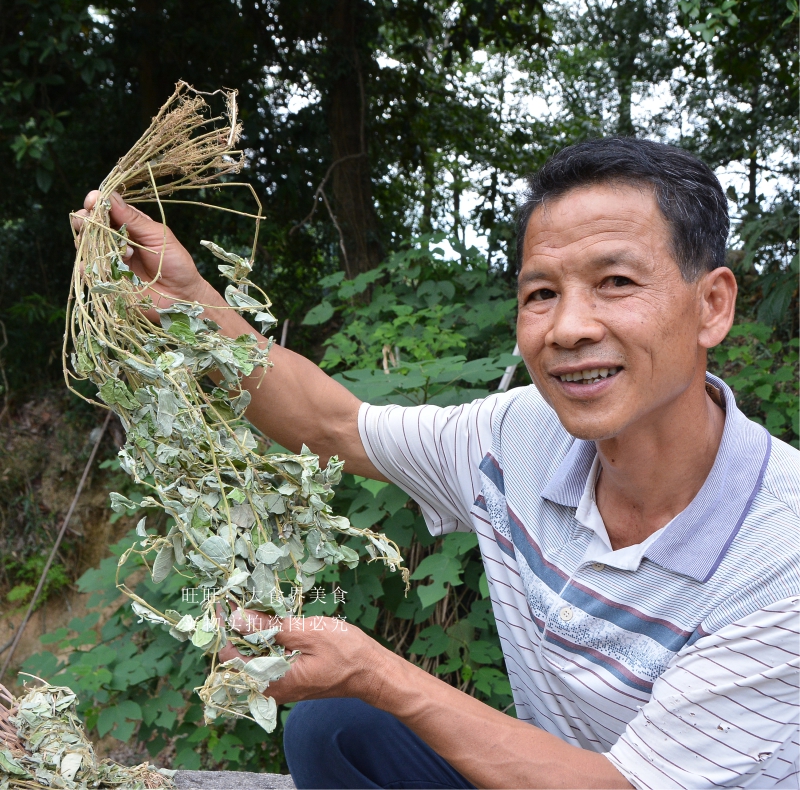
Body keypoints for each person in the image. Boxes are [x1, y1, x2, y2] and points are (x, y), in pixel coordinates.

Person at [76, 138, 799, 789]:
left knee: (367, 697)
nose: (571, 327)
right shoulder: (518, 434)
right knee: (335, 730)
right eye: (541, 293)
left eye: (615, 282)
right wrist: (190, 304)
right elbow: (332, 426)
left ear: (712, 305)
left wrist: (377, 672)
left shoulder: (781, 555)